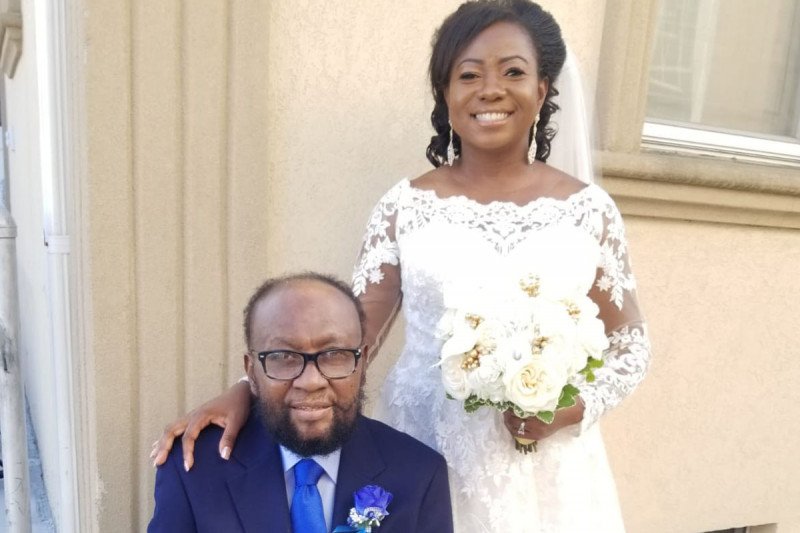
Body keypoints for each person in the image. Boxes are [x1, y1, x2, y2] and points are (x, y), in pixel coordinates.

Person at [152, 1, 651, 531]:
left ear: (543, 89)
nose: (490, 89)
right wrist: (246, 389)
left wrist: (572, 407)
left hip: (546, 465)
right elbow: (351, 331)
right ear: (445, 93)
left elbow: (630, 342)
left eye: (513, 71)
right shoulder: (406, 207)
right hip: (431, 446)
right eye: (468, 74)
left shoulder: (588, 210)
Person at [148, 273, 453, 532]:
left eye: (334, 354)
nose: (311, 381)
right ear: (251, 371)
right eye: (283, 357)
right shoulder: (195, 469)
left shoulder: (418, 474)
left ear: (361, 362)